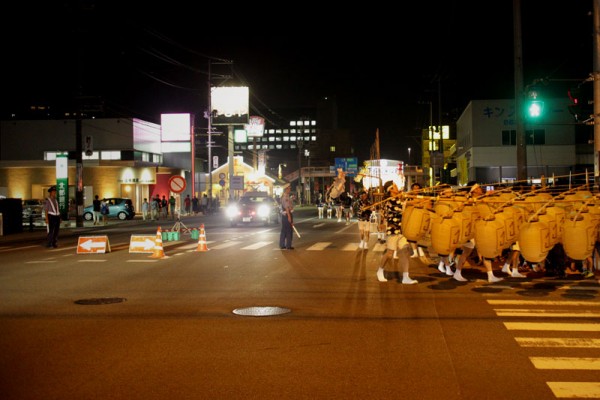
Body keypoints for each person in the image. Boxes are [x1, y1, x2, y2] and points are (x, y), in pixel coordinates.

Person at [376, 181, 417, 284]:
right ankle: (380, 270)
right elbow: (408, 204)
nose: (397, 187)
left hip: (401, 230)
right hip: (393, 231)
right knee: (389, 253)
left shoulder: (398, 199)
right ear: (391, 190)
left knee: (404, 251)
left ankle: (406, 277)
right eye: (395, 186)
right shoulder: (391, 201)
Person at [279, 185, 294, 250]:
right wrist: (289, 217)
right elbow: (287, 208)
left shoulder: (286, 196)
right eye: (289, 188)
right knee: (288, 231)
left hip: (285, 215)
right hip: (287, 215)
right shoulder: (285, 197)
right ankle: (288, 245)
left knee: (284, 231)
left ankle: (282, 245)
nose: (290, 189)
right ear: (286, 189)